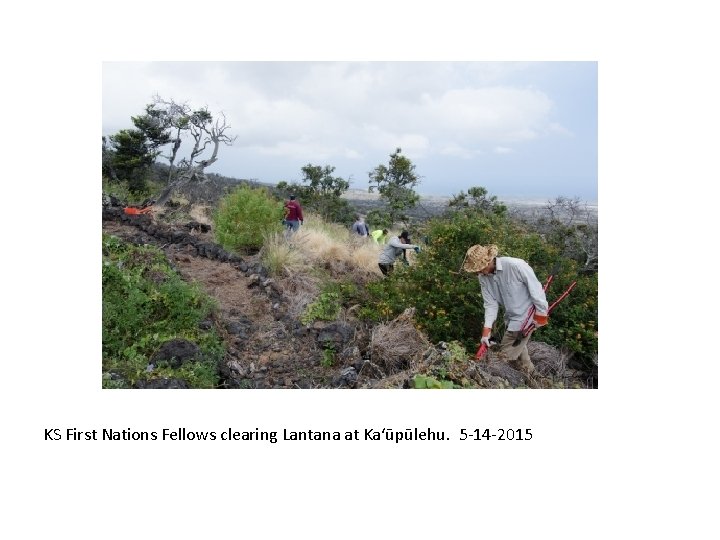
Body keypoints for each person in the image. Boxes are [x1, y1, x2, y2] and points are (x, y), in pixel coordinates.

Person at [462, 244, 549, 375]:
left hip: (526, 318)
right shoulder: (483, 277)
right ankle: (534, 379)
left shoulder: (516, 266)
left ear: (489, 260)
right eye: (476, 270)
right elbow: (490, 304)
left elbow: (536, 290)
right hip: (510, 318)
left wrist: (541, 315)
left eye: (480, 268)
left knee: (502, 360)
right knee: (520, 356)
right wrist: (486, 331)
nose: (478, 272)